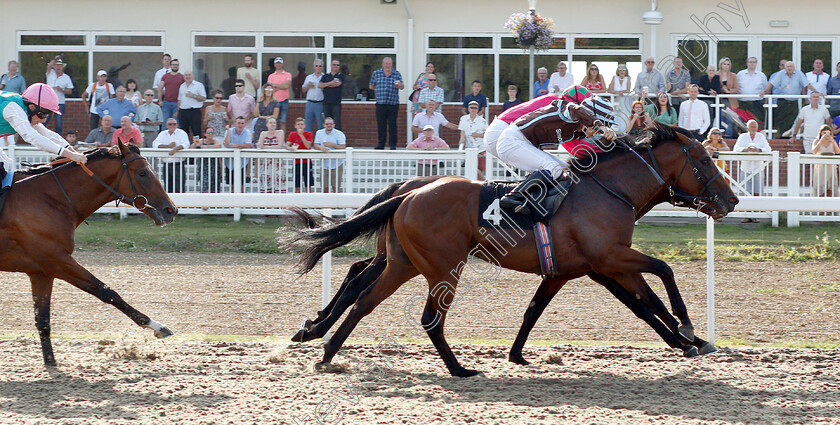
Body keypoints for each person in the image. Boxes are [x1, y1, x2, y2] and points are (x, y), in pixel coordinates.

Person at [495, 93, 617, 213]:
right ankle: (512, 197)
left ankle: (537, 201)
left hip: (522, 143)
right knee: (552, 168)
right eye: (598, 130)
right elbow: (577, 109)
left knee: (566, 171)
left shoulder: (576, 132)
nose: (597, 133)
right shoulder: (568, 111)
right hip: (511, 140)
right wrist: (600, 125)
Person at [0, 83, 87, 184]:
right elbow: (32, 137)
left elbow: (48, 134)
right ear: (32, 107)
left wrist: (71, 151)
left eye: (48, 115)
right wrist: (70, 155)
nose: (44, 120)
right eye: (43, 114)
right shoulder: (12, 108)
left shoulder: (26, 110)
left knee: (7, 165)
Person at [762, 61, 817, 137]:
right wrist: (764, 91)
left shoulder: (799, 73)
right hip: (782, 101)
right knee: (777, 119)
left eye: (791, 66)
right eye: (787, 66)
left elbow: (807, 84)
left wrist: (816, 92)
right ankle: (773, 136)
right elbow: (771, 83)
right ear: (785, 67)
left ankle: (787, 138)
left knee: (791, 122)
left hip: (794, 102)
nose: (789, 68)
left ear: (794, 67)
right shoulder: (781, 73)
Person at [733, 119, 771, 221]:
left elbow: (768, 149)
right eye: (751, 126)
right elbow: (736, 149)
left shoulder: (761, 136)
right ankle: (746, 215)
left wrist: (758, 150)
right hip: (745, 167)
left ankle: (755, 215)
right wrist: (746, 149)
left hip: (758, 168)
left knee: (757, 192)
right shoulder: (742, 137)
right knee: (745, 192)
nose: (753, 128)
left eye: (755, 126)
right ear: (747, 128)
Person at [370, 57, 404, 150]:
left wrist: (400, 85)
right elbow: (371, 85)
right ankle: (381, 144)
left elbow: (402, 86)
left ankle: (393, 145)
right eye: (386, 63)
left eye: (389, 63)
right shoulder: (376, 73)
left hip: (393, 103)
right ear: (382, 64)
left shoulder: (396, 73)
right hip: (380, 103)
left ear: (392, 64)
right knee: (381, 125)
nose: (387, 65)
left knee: (393, 125)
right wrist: (379, 90)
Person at [153, 118, 190, 193]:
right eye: (170, 124)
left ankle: (180, 204)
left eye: (174, 124)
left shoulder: (181, 133)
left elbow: (186, 144)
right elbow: (155, 144)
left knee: (179, 187)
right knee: (168, 186)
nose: (172, 125)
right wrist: (168, 147)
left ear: (177, 125)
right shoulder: (163, 133)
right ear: (167, 125)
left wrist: (175, 149)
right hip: (167, 164)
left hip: (178, 164)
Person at [312, 117, 346, 192]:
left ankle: (338, 203)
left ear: (334, 125)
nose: (329, 125)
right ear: (324, 125)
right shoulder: (319, 133)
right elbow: (315, 145)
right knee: (325, 187)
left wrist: (332, 145)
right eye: (327, 124)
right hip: (324, 164)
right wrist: (321, 147)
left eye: (331, 124)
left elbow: (343, 146)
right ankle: (325, 203)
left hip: (337, 164)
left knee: (336, 187)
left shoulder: (339, 134)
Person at [458, 100, 488, 180]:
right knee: (471, 169)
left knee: (480, 170)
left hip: (481, 148)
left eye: (475, 108)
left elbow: (487, 135)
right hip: (469, 148)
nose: (473, 109)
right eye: (471, 107)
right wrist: (461, 143)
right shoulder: (463, 119)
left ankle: (483, 185)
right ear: (468, 108)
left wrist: (477, 135)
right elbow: (462, 133)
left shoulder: (483, 121)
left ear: (478, 109)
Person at [256, 117, 286, 194]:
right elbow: (259, 145)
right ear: (267, 124)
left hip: (277, 162)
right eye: (271, 123)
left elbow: (279, 146)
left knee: (278, 180)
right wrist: (265, 147)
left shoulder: (280, 132)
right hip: (266, 162)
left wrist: (264, 147)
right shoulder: (263, 133)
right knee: (266, 180)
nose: (273, 124)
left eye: (274, 123)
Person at [45, 57, 73, 136]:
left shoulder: (66, 77)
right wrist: (55, 59)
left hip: (60, 102)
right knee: (44, 120)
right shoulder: (50, 73)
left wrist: (62, 90)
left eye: (60, 65)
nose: (58, 67)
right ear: (54, 66)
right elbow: (48, 66)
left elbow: (70, 91)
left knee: (59, 123)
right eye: (56, 65)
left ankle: (58, 140)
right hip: (48, 102)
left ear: (62, 67)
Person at [191, 126, 222, 197]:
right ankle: (204, 203)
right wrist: (195, 143)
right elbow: (193, 147)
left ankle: (214, 203)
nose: (210, 134)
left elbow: (218, 146)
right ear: (205, 134)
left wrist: (204, 147)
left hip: (214, 164)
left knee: (215, 184)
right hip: (203, 165)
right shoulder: (201, 140)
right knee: (205, 184)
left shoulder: (216, 141)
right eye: (208, 132)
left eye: (212, 132)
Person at [223, 116, 253, 191]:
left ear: (245, 125)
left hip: (242, 162)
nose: (240, 125)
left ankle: (242, 202)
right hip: (229, 162)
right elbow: (226, 144)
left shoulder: (247, 132)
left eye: (242, 123)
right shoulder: (229, 131)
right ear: (235, 124)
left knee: (242, 184)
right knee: (232, 185)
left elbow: (248, 145)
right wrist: (229, 132)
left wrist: (236, 146)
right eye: (238, 123)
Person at [736, 57, 768, 124]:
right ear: (747, 63)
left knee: (757, 123)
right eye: (750, 62)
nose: (752, 64)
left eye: (754, 62)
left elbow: (766, 89)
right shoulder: (740, 74)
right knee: (742, 123)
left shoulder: (761, 75)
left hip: (757, 103)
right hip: (743, 103)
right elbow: (736, 87)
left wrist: (766, 101)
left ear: (756, 63)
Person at [811, 125, 840, 197]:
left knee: (832, 185)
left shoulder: (832, 141)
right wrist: (821, 140)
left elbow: (837, 151)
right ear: (820, 133)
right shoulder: (816, 141)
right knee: (820, 185)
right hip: (820, 167)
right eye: (824, 132)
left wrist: (832, 140)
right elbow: (814, 151)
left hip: (831, 166)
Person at [286, 117, 313, 192]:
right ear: (295, 126)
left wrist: (301, 135)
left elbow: (308, 146)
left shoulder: (308, 134)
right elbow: (287, 145)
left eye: (302, 124)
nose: (300, 126)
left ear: (305, 126)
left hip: (307, 161)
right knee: (297, 184)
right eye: (298, 124)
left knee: (308, 184)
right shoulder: (292, 134)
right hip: (296, 162)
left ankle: (310, 200)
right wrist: (290, 148)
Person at [177, 71, 207, 139]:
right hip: (183, 111)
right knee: (183, 131)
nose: (188, 77)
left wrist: (193, 96)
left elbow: (204, 98)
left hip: (194, 111)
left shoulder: (199, 85)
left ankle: (197, 147)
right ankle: (185, 146)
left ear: (193, 76)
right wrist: (178, 111)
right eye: (186, 75)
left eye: (189, 75)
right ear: (184, 77)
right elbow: (179, 100)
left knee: (196, 131)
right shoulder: (182, 86)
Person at [267, 57, 292, 133]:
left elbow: (287, 86)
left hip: (284, 100)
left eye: (280, 63)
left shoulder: (287, 74)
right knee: (273, 121)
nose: (278, 64)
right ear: (274, 64)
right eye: (277, 63)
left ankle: (282, 139)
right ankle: (274, 138)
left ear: (282, 64)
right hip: (274, 101)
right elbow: (270, 89)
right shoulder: (271, 76)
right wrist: (282, 86)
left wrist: (275, 85)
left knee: (283, 121)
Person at [302, 59, 325, 132]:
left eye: (320, 66)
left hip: (320, 103)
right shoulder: (309, 77)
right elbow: (303, 90)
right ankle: (308, 142)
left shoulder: (325, 77)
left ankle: (320, 142)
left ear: (322, 67)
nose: (318, 67)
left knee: (321, 124)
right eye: (316, 66)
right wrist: (308, 85)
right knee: (308, 124)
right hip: (310, 103)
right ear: (314, 67)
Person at [158, 58, 184, 123]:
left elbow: (184, 91)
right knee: (165, 122)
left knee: (176, 123)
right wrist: (160, 100)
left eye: (177, 65)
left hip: (177, 103)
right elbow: (160, 88)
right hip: (166, 103)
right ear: (170, 66)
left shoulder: (182, 77)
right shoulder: (165, 76)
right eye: (173, 64)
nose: (175, 66)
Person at [321, 59, 344, 130]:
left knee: (336, 122)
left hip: (336, 103)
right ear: (331, 66)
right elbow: (319, 85)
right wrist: (330, 83)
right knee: (326, 122)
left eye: (337, 65)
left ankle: (337, 140)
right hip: (326, 103)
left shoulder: (341, 76)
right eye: (334, 65)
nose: (336, 66)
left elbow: (337, 84)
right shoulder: (326, 76)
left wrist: (326, 85)